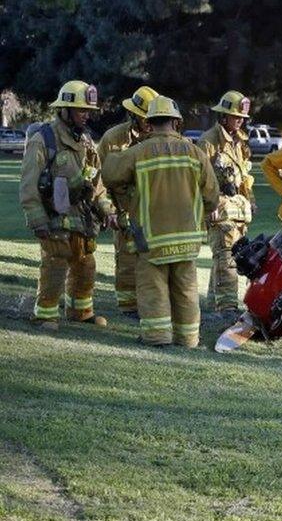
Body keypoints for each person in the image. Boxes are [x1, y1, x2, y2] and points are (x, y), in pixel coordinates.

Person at [102, 96, 219, 347]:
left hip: (151, 238)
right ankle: (188, 338)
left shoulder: (138, 152)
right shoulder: (196, 153)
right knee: (186, 290)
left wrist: (114, 155)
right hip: (188, 239)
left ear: (149, 122)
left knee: (153, 288)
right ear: (177, 123)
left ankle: (156, 337)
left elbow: (109, 175)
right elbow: (212, 197)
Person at [19, 80, 117, 331]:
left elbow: (97, 184)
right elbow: (28, 184)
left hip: (81, 220)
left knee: (86, 265)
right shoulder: (44, 139)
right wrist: (37, 220)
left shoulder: (86, 142)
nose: (87, 115)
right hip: (54, 219)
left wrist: (106, 209)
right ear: (64, 110)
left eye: (89, 110)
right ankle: (45, 315)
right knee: (55, 264)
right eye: (81, 110)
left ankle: (80, 312)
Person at [97, 85, 159, 319]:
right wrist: (108, 210)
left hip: (153, 213)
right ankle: (128, 307)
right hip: (124, 211)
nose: (149, 123)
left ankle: (152, 304)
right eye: (145, 119)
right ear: (133, 115)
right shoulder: (113, 139)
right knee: (126, 261)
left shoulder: (160, 139)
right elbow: (98, 180)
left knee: (153, 262)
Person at [197, 90, 255, 316]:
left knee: (224, 258)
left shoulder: (239, 142)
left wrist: (250, 200)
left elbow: (244, 177)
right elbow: (198, 178)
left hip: (238, 212)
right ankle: (228, 308)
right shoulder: (208, 142)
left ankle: (213, 306)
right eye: (235, 116)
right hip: (219, 212)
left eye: (242, 117)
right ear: (222, 116)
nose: (239, 120)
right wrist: (208, 206)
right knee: (227, 258)